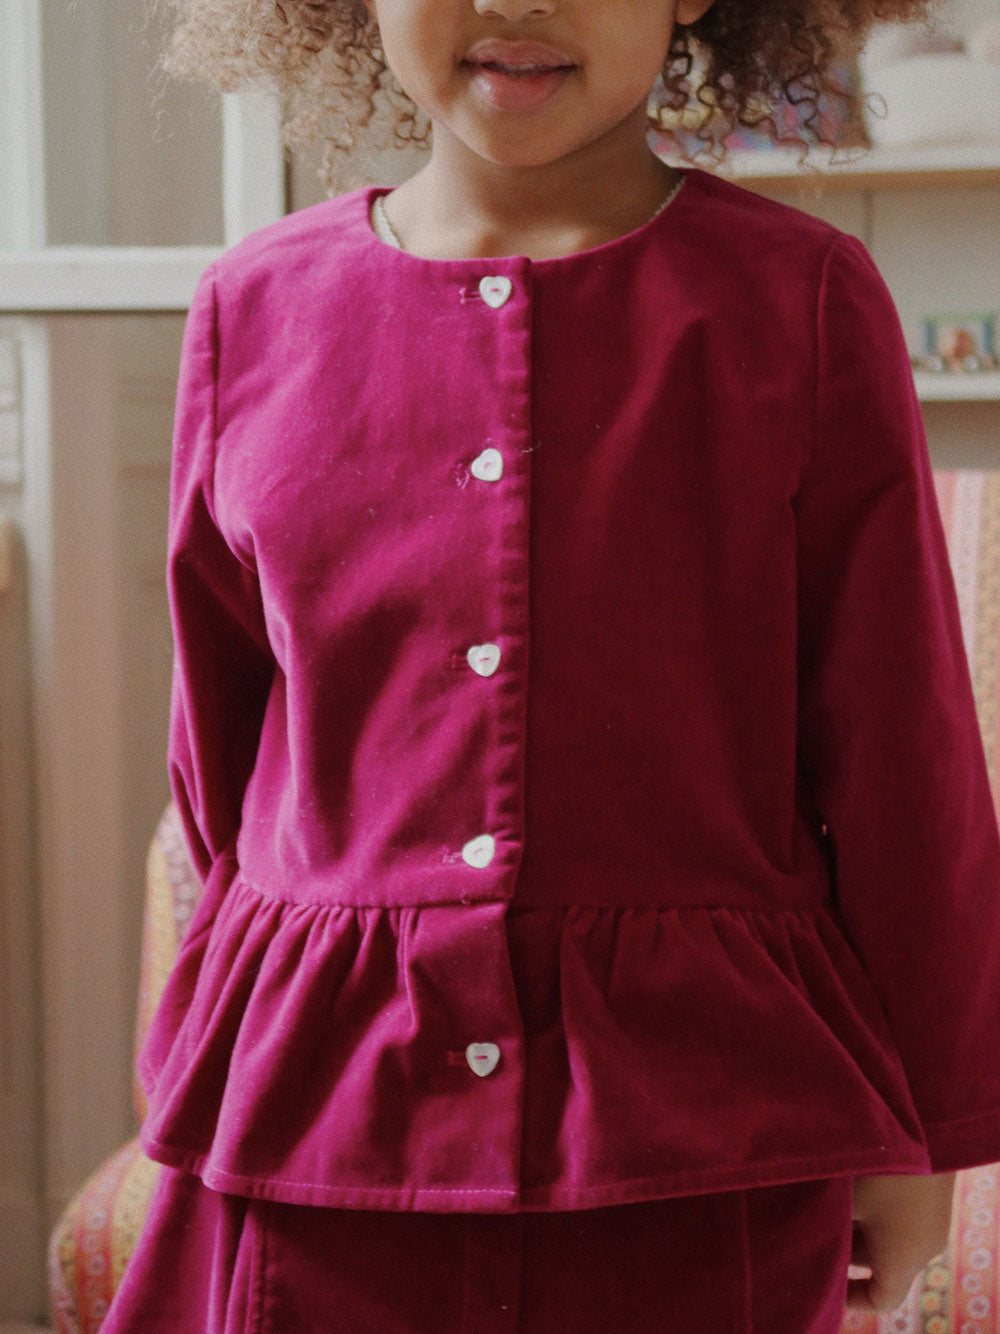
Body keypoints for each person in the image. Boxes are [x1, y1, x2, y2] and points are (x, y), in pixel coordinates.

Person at [101, 0, 1000, 1329]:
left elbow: (901, 760)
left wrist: (933, 1129)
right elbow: (220, 766)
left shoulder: (802, 301)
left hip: (700, 1139)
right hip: (329, 1133)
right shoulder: (252, 310)